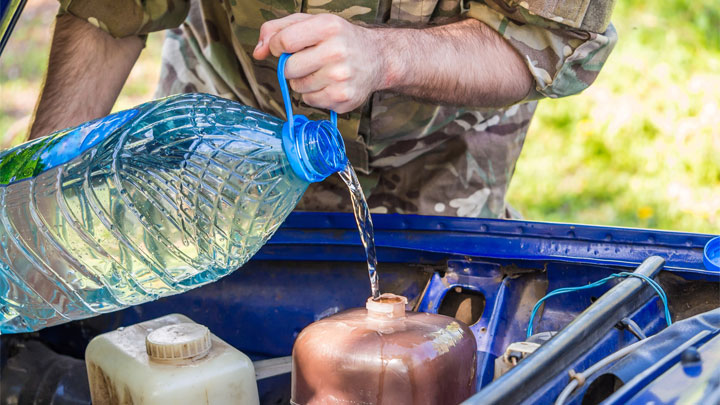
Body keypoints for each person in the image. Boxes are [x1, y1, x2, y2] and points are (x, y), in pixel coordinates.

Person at [28, 0, 617, 218]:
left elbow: (540, 40)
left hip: (442, 141)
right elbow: (109, 13)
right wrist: (35, 198)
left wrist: (384, 56)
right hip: (230, 110)